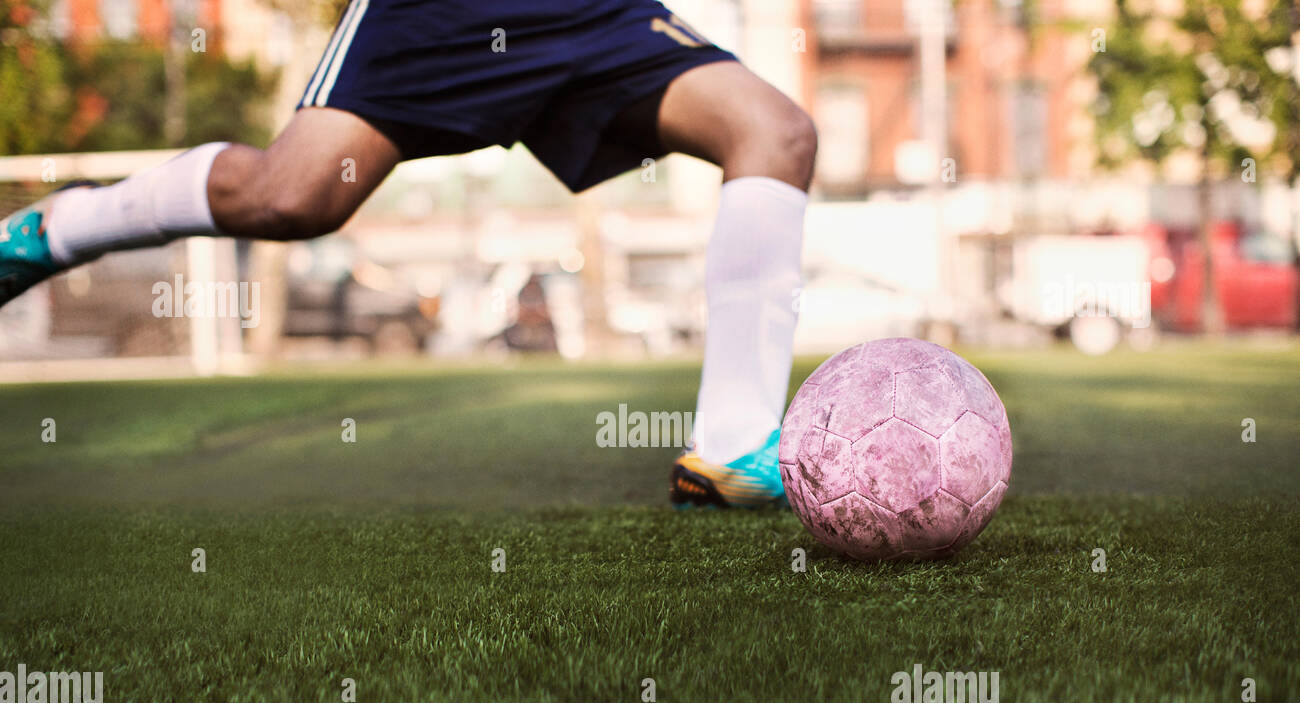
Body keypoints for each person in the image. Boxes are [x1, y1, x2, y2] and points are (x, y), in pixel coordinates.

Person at [0, 0, 816, 508]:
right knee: (293, 196)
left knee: (775, 132)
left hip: (592, 12)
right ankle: (55, 231)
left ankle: (730, 451)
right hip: (441, 11)